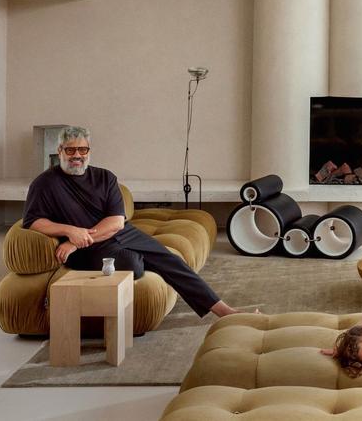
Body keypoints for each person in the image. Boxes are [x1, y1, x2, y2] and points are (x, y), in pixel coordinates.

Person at [23, 125, 243, 319]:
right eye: (70, 150)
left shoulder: (105, 177)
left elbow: (117, 221)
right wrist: (70, 231)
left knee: (171, 259)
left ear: (89, 151)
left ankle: (225, 312)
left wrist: (75, 241)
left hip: (118, 234)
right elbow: (33, 221)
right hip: (89, 250)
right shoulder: (44, 184)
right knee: (134, 265)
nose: (77, 155)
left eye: (83, 149)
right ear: (60, 150)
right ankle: (147, 264)